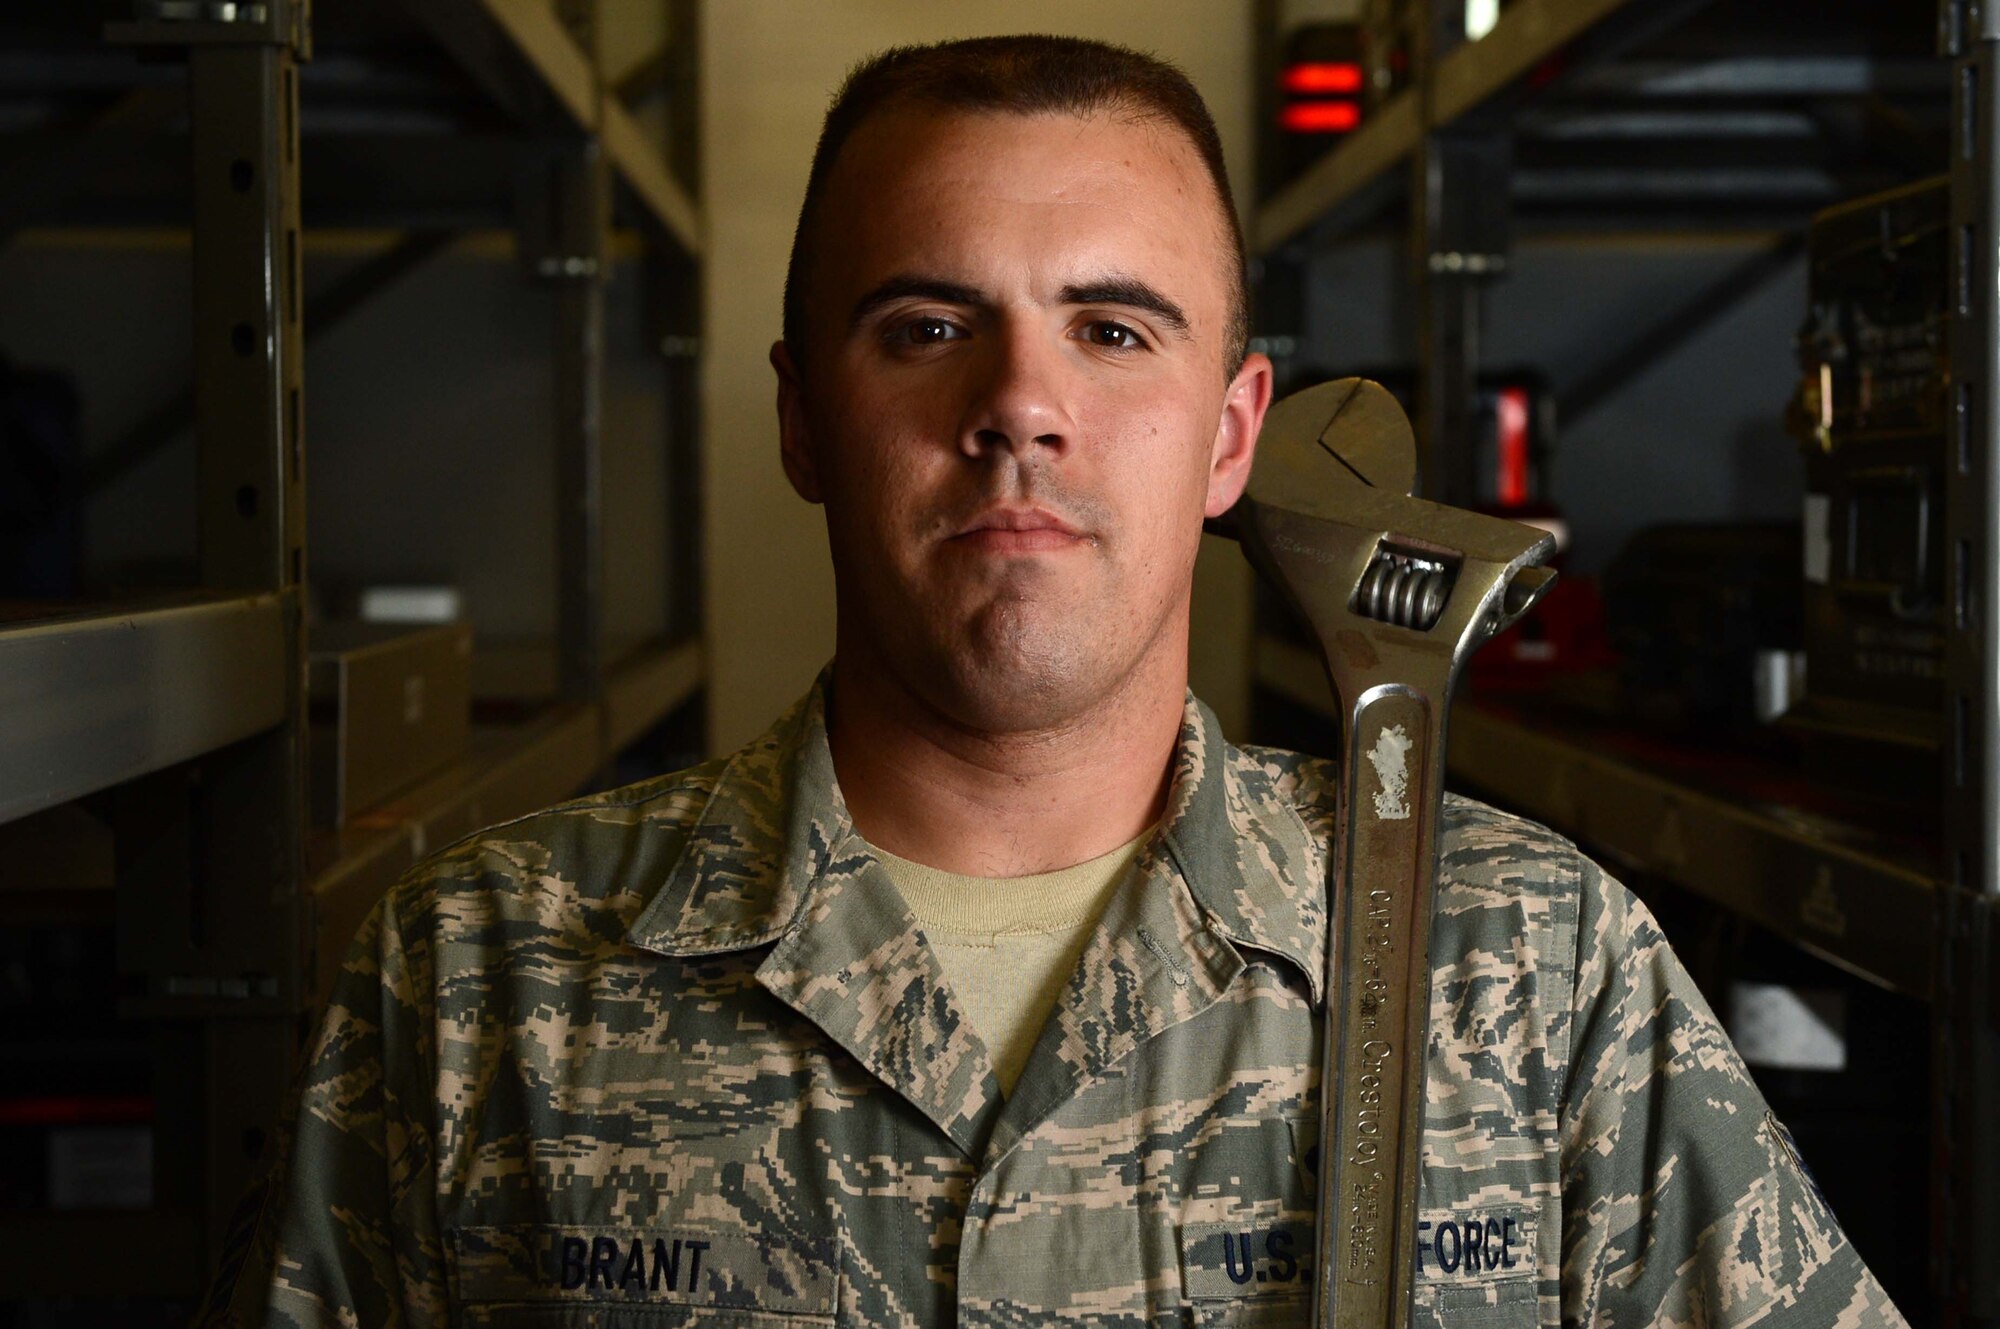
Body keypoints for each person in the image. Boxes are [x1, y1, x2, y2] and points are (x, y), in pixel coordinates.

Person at [202, 35, 1907, 1328]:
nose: (1022, 402)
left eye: (1113, 328)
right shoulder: (478, 984)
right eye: (929, 325)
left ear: (1233, 435)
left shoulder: (1542, 976)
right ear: (802, 415)